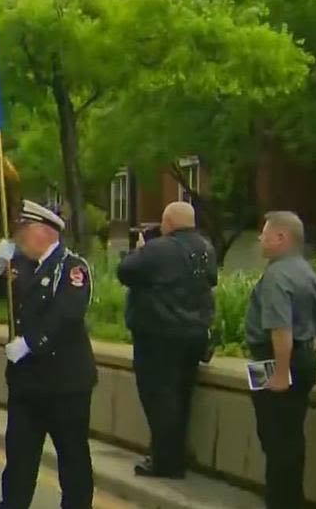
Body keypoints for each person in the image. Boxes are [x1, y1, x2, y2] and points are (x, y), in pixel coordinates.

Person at [0, 200, 96, 509]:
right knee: (20, 455)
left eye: (25, 230)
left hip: (65, 382)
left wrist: (31, 342)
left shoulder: (71, 267)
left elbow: (68, 313)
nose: (19, 237)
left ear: (45, 232)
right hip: (26, 382)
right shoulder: (20, 264)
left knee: (71, 456)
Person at [116, 201, 217, 478]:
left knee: (159, 397)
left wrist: (140, 250)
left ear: (168, 222)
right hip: (194, 335)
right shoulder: (206, 249)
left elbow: (125, 271)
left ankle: (166, 461)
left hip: (159, 335)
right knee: (182, 395)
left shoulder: (157, 249)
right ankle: (177, 453)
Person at [245, 211, 316, 509]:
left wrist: (281, 372)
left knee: (275, 438)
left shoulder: (277, 276)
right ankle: (293, 498)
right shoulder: (307, 272)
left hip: (276, 361)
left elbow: (280, 329)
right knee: (291, 436)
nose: (260, 239)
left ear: (281, 237)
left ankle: (280, 501)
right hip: (304, 359)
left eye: (265, 234)